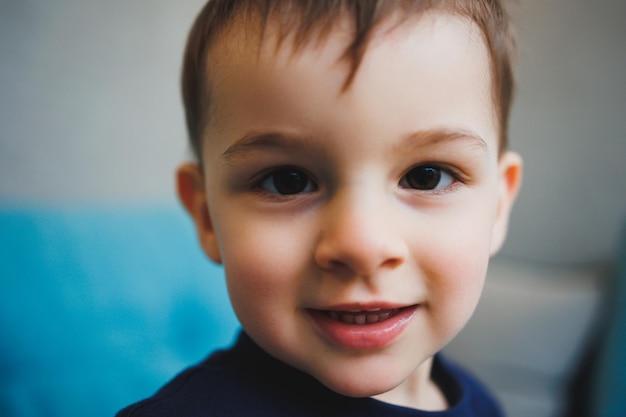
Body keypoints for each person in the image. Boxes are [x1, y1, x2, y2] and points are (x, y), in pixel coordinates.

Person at [118, 0, 523, 415]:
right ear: (206, 217)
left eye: (426, 176)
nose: (361, 245)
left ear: (497, 207)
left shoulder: (485, 405)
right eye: (288, 181)